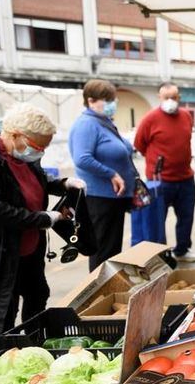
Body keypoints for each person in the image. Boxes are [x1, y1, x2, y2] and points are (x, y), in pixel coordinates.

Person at [0, 103, 85, 337]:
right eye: (38, 146)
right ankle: (8, 354)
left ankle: (35, 343)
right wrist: (43, 218)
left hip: (30, 249)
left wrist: (62, 184)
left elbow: (34, 180)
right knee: (6, 310)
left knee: (37, 296)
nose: (41, 153)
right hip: (1, 253)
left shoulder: (22, 154)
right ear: (15, 135)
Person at [70, 79, 137, 272]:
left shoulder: (103, 122)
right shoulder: (86, 124)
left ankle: (109, 289)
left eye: (113, 100)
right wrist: (111, 174)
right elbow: (82, 159)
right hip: (100, 198)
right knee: (102, 251)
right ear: (91, 100)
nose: (112, 104)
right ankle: (99, 293)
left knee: (112, 249)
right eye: (107, 100)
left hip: (114, 197)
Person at [134, 82, 195, 263]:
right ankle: (159, 255)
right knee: (157, 220)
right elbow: (139, 144)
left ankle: (182, 250)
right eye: (166, 97)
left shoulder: (186, 116)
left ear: (179, 98)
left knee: (186, 218)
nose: (170, 101)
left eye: (174, 97)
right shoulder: (150, 119)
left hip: (186, 178)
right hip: (160, 181)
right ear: (160, 98)